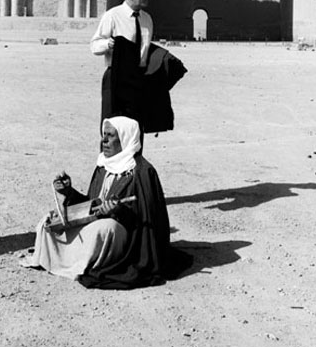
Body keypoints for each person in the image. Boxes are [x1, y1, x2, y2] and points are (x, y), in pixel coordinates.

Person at [26, 116, 192, 289]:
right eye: (103, 134)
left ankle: (70, 259)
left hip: (124, 238)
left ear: (125, 138)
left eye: (111, 136)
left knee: (106, 228)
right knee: (49, 219)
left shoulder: (142, 172)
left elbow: (148, 223)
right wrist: (68, 191)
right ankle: (58, 258)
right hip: (96, 225)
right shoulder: (103, 165)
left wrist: (118, 211)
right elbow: (90, 204)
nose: (104, 140)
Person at [90, 0, 187, 139]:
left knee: (136, 127)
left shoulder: (147, 19)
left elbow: (145, 49)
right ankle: (109, 164)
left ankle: (135, 163)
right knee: (113, 128)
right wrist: (109, 44)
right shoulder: (113, 16)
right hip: (116, 76)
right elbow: (94, 45)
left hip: (138, 78)